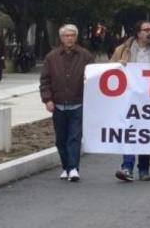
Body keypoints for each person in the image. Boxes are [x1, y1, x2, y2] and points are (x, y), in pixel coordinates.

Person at [111, 20, 150, 182]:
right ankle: (127, 167)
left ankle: (144, 168)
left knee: (145, 134)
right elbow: (109, 71)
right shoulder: (122, 50)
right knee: (129, 131)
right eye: (146, 30)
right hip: (128, 99)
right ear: (138, 33)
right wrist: (118, 65)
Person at [39, 24, 94, 182]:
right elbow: (45, 80)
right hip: (58, 105)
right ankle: (66, 167)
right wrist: (47, 99)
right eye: (66, 35)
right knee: (61, 139)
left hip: (78, 104)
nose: (69, 38)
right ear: (61, 38)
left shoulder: (86, 56)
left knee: (74, 138)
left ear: (76, 37)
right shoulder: (52, 57)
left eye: (72, 35)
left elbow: (94, 78)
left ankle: (74, 168)